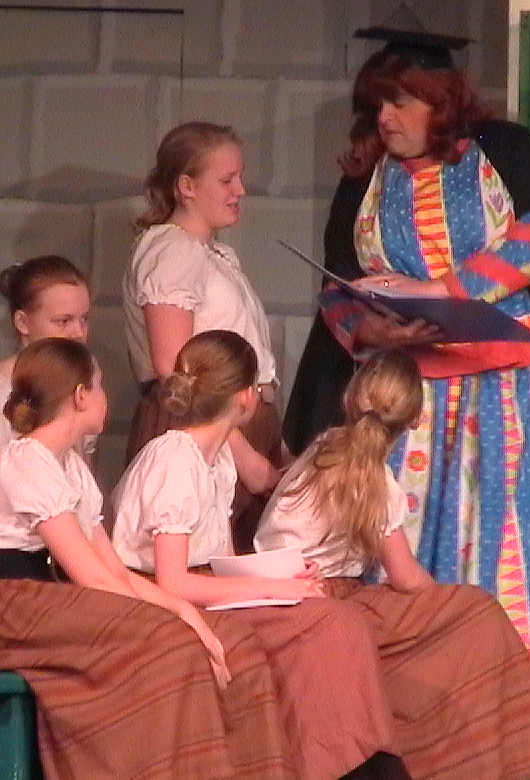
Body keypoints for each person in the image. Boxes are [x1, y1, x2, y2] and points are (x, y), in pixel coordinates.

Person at [282, 27, 530, 727]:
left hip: (502, 387)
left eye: (400, 101)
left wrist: (444, 290)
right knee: (397, 530)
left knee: (510, 539)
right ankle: (402, 707)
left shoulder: (505, 150)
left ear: (440, 100)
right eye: (377, 104)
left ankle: (519, 711)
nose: (385, 118)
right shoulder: (365, 175)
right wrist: (376, 329)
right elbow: (339, 284)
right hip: (404, 397)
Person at [0, 337, 291, 780]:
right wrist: (179, 619)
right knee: (171, 644)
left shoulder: (70, 467)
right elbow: (91, 577)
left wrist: (185, 611)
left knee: (233, 639)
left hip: (47, 600)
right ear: (79, 396)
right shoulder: (26, 462)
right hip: (2, 608)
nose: (105, 397)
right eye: (100, 386)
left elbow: (113, 570)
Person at [256, 348, 530, 780]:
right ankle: (477, 755)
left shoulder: (325, 448)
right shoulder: (374, 481)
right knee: (473, 614)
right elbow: (406, 576)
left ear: (349, 398)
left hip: (304, 588)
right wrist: (443, 608)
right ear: (414, 420)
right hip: (310, 595)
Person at [111, 330, 407, 780]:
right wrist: (272, 587)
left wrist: (283, 575)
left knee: (329, 618)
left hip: (204, 592)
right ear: (246, 397)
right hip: (157, 601)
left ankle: (352, 758)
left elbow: (217, 560)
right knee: (331, 623)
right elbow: (173, 580)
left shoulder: (216, 460)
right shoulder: (174, 460)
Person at [122, 121, 283, 552]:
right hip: (201, 426)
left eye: (240, 177)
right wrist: (244, 457)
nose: (240, 190)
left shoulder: (215, 254)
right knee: (200, 557)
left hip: (235, 424)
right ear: (187, 187)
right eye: (227, 180)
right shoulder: (171, 251)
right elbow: (175, 368)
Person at [0, 256, 95, 488]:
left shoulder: (81, 384)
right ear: (22, 322)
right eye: (63, 321)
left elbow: (84, 481)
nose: (78, 332)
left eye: (84, 319)